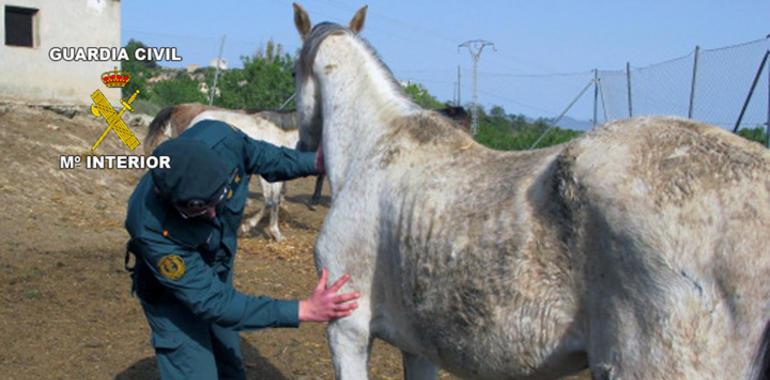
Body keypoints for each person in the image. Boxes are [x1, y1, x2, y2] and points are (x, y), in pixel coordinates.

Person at [124, 119, 359, 380]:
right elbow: (213, 303)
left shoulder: (223, 140)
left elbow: (267, 158)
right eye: (196, 208)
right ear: (165, 196)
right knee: (197, 373)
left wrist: (313, 163)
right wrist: (302, 310)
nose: (213, 213)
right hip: (173, 294)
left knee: (231, 367)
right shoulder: (150, 226)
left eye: (219, 197)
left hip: (217, 268)